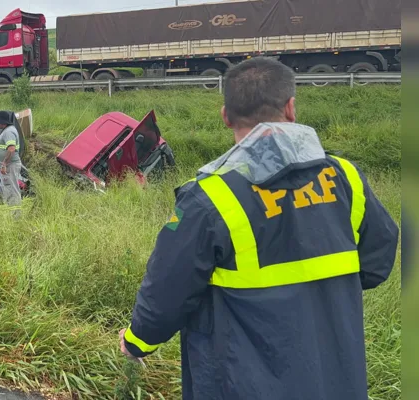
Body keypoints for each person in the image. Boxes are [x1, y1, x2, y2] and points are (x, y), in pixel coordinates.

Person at [118, 57, 399, 400]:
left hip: (240, 381)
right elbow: (378, 259)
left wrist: (137, 341)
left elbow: (168, 287)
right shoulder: (346, 178)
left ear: (225, 116)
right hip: (335, 377)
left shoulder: (210, 198)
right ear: (291, 108)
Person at [0, 111, 22, 208]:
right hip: (8, 166)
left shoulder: (9, 132)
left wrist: (4, 163)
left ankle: (15, 215)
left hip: (10, 166)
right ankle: (11, 212)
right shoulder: (7, 130)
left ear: (2, 122)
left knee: (12, 190)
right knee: (9, 189)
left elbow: (11, 148)